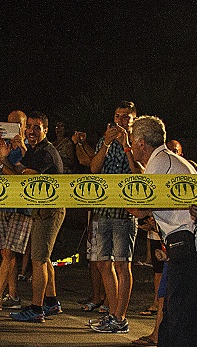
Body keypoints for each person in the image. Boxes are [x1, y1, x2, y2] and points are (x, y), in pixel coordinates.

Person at [121, 116, 197, 347]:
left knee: (181, 313)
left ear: (139, 143)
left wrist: (121, 200)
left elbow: (140, 207)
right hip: (191, 242)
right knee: (172, 309)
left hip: (190, 244)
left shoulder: (160, 163)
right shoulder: (170, 160)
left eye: (132, 141)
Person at [0, 111, 65, 323]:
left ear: (46, 130)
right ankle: (51, 302)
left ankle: (36, 309)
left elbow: (23, 177)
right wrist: (6, 158)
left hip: (49, 210)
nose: (32, 131)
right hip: (41, 210)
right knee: (44, 259)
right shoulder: (35, 150)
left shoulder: (46, 153)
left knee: (38, 261)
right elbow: (18, 172)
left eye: (37, 127)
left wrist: (6, 161)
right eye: (29, 127)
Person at [79, 102, 140, 333]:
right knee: (103, 263)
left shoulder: (137, 143)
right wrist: (105, 143)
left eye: (126, 117)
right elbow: (94, 168)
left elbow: (140, 173)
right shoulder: (105, 140)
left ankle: (121, 316)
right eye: (117, 116)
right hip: (102, 209)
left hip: (125, 211)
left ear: (134, 120)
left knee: (123, 264)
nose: (120, 121)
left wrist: (127, 147)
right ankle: (113, 313)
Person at [0, 111, 31, 311]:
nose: (13, 127)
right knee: (6, 253)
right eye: (9, 124)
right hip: (3, 202)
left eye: (18, 124)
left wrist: (20, 146)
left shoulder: (28, 146)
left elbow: (25, 171)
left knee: (9, 251)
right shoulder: (1, 144)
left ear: (24, 125)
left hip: (21, 206)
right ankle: (12, 295)